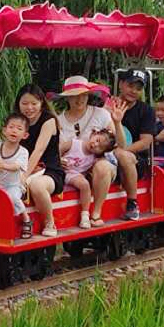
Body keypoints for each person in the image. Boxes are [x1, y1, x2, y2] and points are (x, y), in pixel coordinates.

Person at [56, 75, 117, 228]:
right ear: (67, 98)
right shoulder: (58, 120)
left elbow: (113, 144)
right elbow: (55, 148)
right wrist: (59, 160)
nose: (80, 100)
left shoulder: (101, 114)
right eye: (74, 96)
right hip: (72, 167)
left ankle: (95, 213)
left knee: (101, 167)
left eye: (83, 95)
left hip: (98, 164)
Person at [11, 84, 66, 236]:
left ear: (42, 103)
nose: (29, 108)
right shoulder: (18, 121)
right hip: (24, 167)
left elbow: (39, 150)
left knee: (37, 186)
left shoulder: (49, 121)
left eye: (34, 103)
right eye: (24, 104)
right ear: (18, 104)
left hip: (49, 170)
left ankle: (49, 222)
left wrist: (24, 175)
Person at [114, 71, 158, 219]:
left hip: (136, 158)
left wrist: (122, 150)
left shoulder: (146, 111)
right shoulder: (108, 105)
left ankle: (132, 202)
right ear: (121, 84)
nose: (134, 91)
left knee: (123, 156)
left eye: (138, 88)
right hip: (106, 152)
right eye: (130, 86)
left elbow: (146, 142)